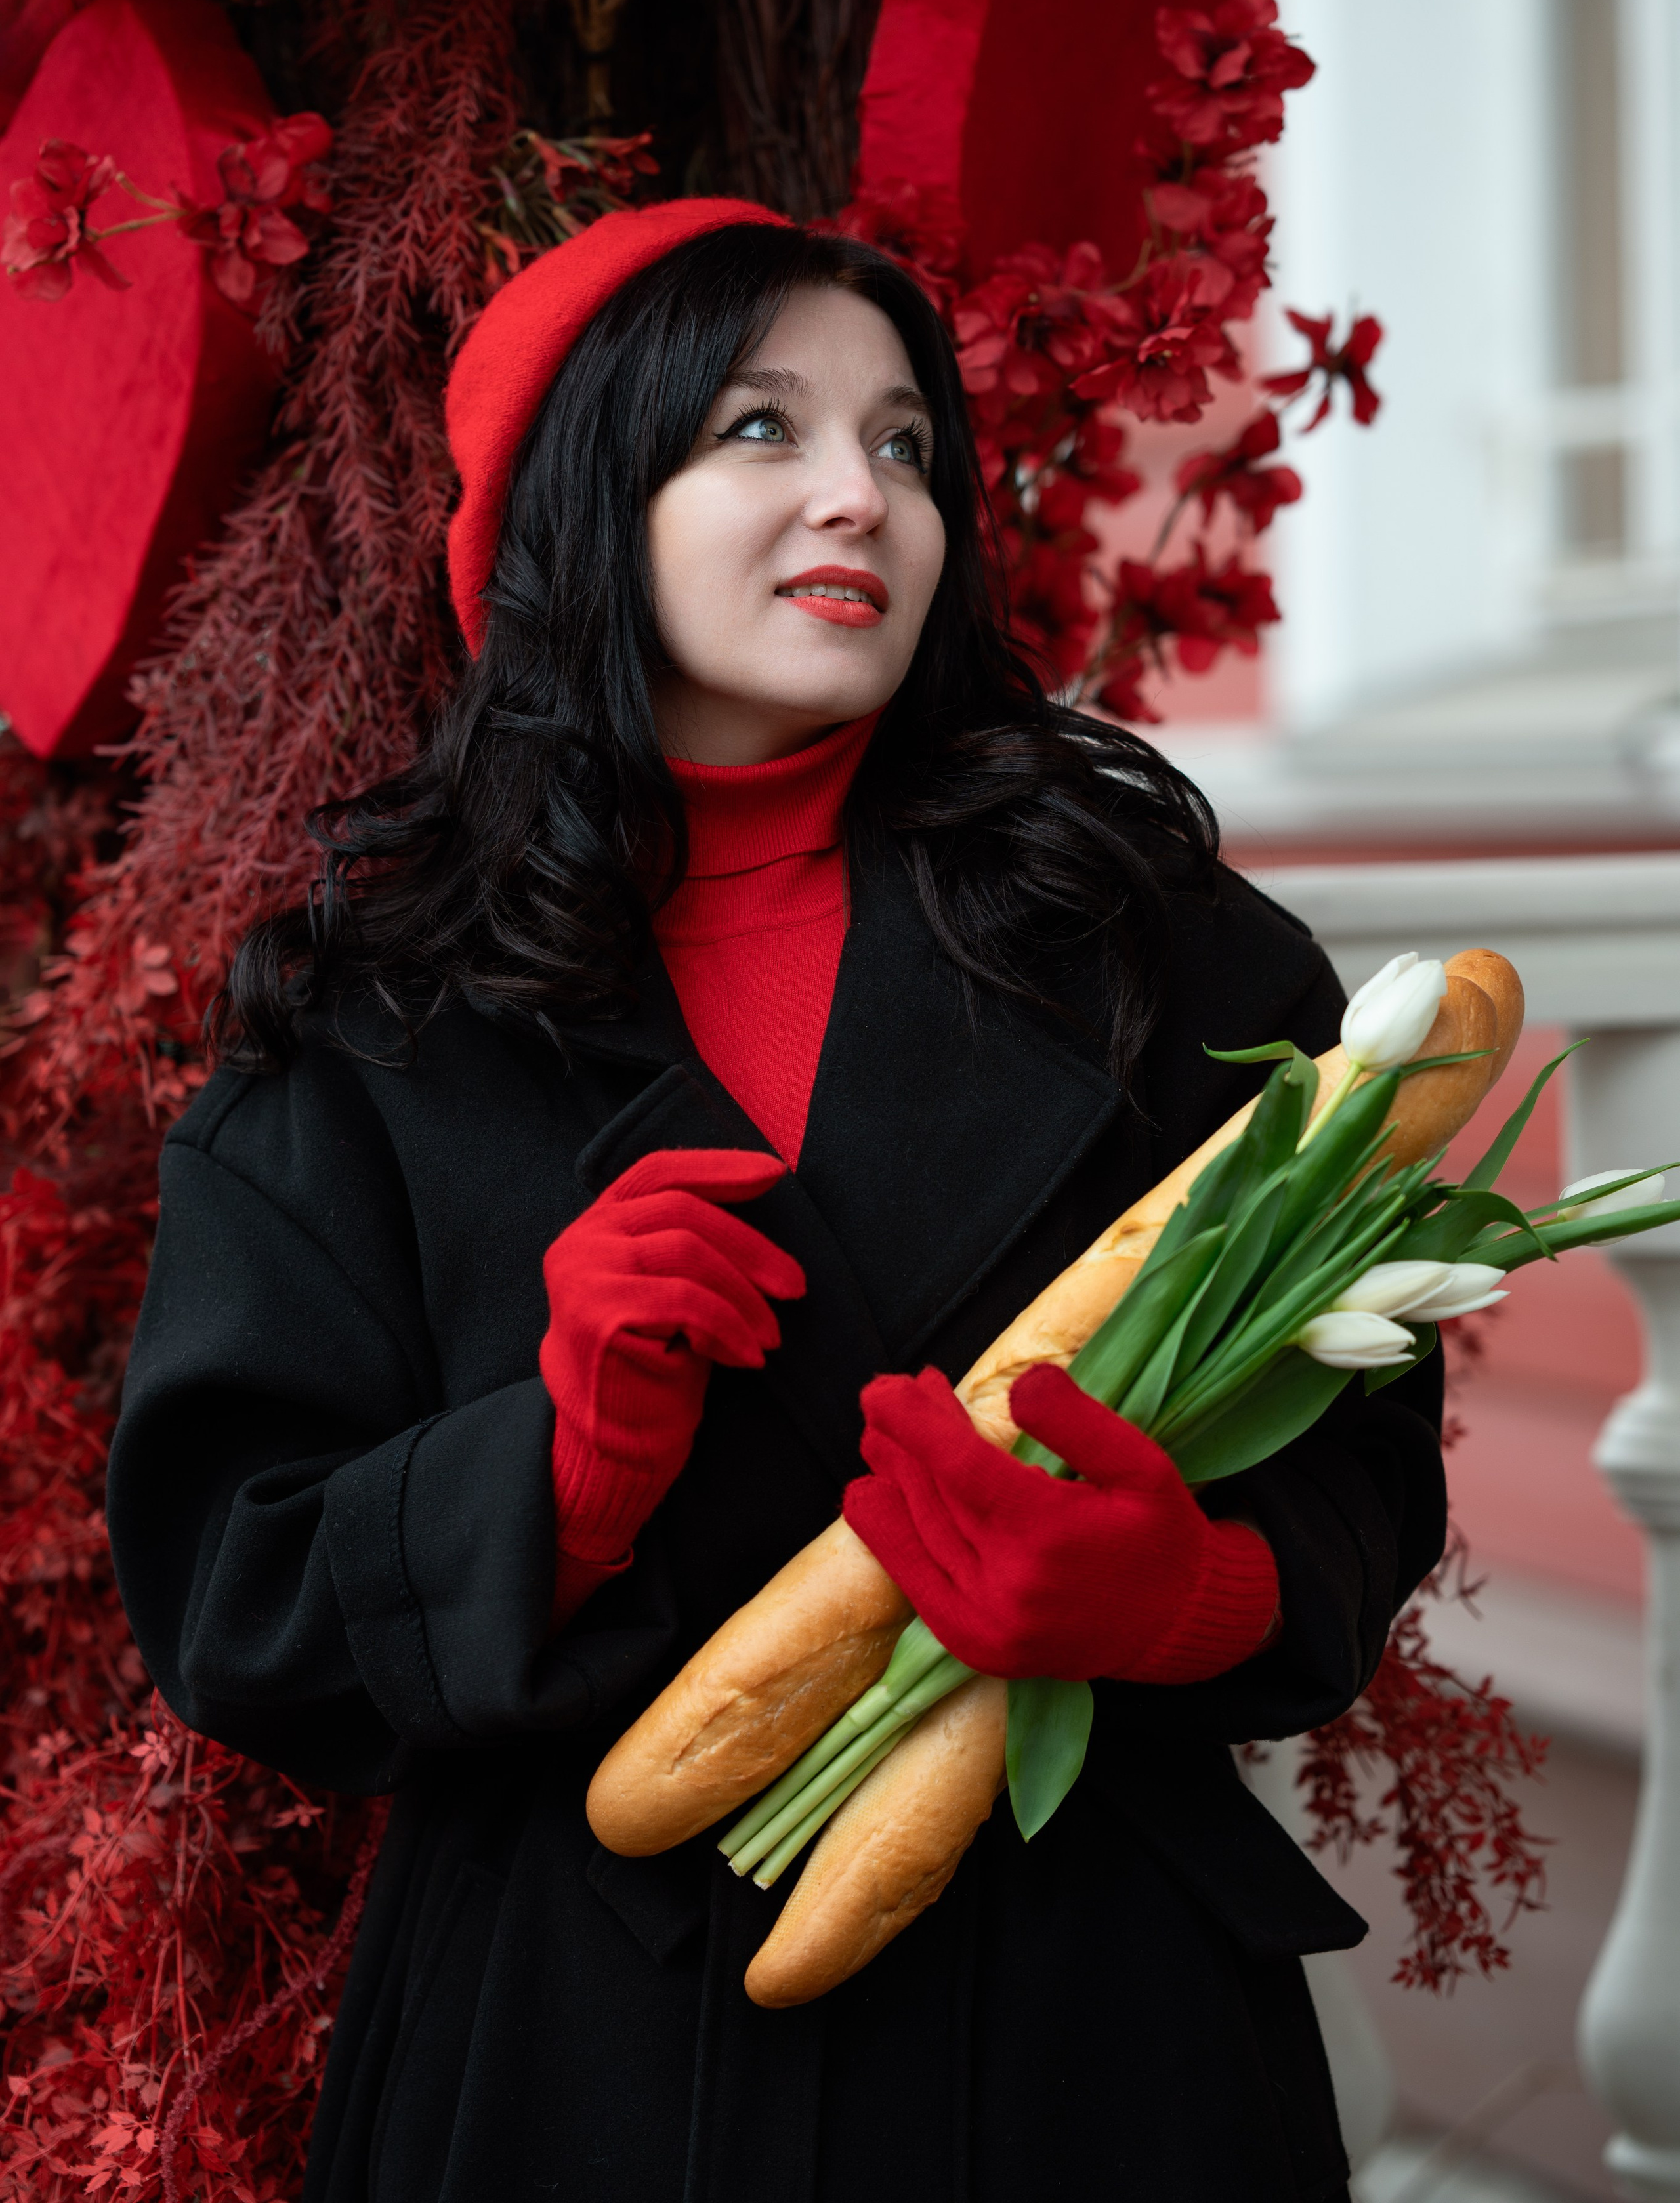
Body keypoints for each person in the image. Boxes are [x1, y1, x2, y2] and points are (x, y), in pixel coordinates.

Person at [107, 199, 1446, 2203]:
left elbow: (1369, 1462)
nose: (863, 496)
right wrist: (547, 1478)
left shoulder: (1160, 947)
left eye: (905, 445)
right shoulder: (372, 1021)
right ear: (586, 498)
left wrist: (1185, 1596)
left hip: (1095, 2028)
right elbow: (230, 1592)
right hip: (571, 2046)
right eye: (764, 429)